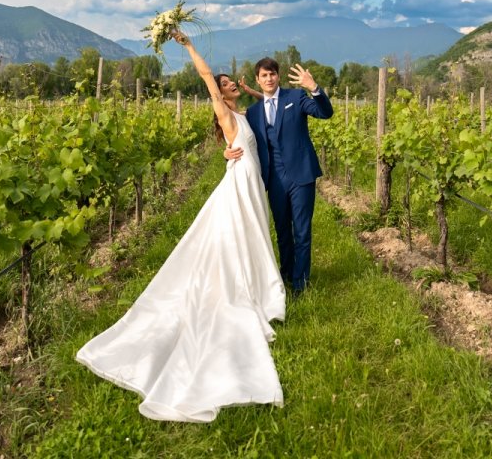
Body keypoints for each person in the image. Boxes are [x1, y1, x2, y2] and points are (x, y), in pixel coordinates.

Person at [76, 31, 285, 423]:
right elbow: (207, 77)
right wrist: (188, 45)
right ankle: (243, 291)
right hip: (239, 180)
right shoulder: (224, 112)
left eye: (228, 84)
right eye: (224, 85)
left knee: (253, 235)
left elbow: (266, 104)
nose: (228, 86)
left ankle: (256, 284)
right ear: (220, 95)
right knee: (237, 237)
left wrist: (249, 92)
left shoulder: (242, 113)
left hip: (250, 179)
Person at [227, 58, 333, 295]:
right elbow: (238, 135)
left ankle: (300, 283)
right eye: (264, 76)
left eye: (272, 74)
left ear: (278, 76)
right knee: (282, 230)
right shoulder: (253, 112)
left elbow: (325, 113)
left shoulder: (295, 98)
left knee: (302, 232)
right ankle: (286, 273)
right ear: (258, 79)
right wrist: (226, 151)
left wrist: (314, 88)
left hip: (301, 175)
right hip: (274, 179)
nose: (269, 79)